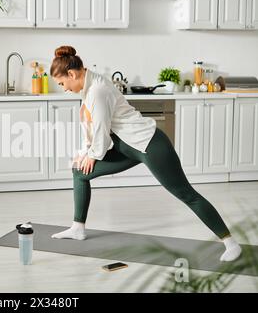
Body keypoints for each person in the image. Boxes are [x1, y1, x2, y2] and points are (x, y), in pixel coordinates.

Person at [49, 45, 241, 262]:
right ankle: (78, 228)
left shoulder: (97, 91)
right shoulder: (88, 87)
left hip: (150, 145)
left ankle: (230, 243)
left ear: (72, 74)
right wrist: (84, 153)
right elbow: (91, 127)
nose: (64, 88)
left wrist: (91, 155)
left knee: (186, 194)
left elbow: (101, 132)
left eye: (62, 83)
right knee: (79, 172)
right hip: (127, 147)